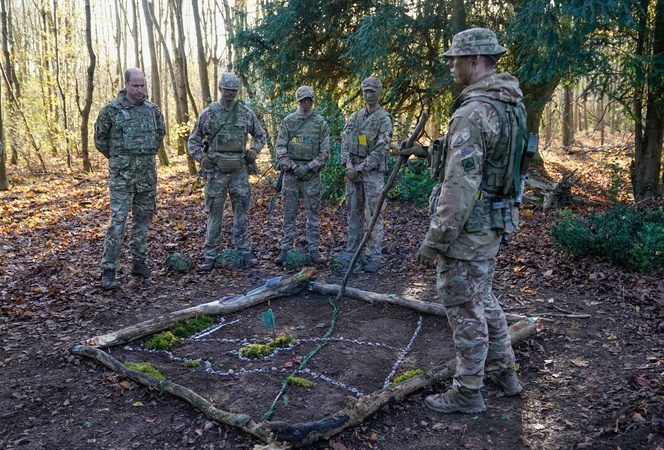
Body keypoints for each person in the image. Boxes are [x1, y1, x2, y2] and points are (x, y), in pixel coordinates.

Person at [401, 28, 525, 413]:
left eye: (455, 59)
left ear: (475, 60)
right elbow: (489, 164)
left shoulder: (472, 113)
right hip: (493, 222)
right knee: (483, 299)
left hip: (467, 231)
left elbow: (460, 187)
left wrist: (435, 239)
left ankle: (468, 391)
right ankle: (505, 371)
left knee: (464, 308)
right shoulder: (509, 105)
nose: (450, 65)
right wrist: (428, 152)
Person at [94, 67, 166, 290]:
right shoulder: (111, 110)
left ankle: (139, 263)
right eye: (135, 85)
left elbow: (160, 134)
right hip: (122, 178)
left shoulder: (152, 110)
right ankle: (109, 270)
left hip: (147, 176)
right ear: (125, 84)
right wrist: (119, 158)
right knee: (117, 224)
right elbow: (100, 139)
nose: (140, 89)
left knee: (143, 221)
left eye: (142, 85)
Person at [187, 72, 267, 271]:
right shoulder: (209, 114)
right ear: (220, 89)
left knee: (241, 212)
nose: (230, 93)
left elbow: (260, 135)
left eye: (234, 90)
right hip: (216, 172)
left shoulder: (245, 113)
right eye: (227, 90)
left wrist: (254, 151)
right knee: (215, 213)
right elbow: (193, 141)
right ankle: (210, 254)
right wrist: (201, 158)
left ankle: (244, 250)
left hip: (239, 170)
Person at [337, 76, 393, 273]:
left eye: (372, 91)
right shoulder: (355, 117)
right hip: (354, 174)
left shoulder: (384, 119)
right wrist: (349, 165)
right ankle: (354, 252)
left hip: (372, 175)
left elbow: (381, 149)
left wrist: (360, 168)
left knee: (373, 216)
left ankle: (373, 255)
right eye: (366, 91)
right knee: (354, 213)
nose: (369, 95)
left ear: (379, 92)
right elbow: (345, 141)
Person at [274, 86, 330, 265]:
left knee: (313, 214)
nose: (306, 103)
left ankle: (313, 249)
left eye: (308, 100)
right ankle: (285, 248)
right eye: (303, 100)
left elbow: (325, 152)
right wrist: (293, 166)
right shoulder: (288, 121)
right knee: (289, 213)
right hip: (291, 175)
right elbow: (280, 148)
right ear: (298, 101)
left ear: (312, 100)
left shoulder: (320, 123)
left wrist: (308, 167)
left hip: (311, 176)